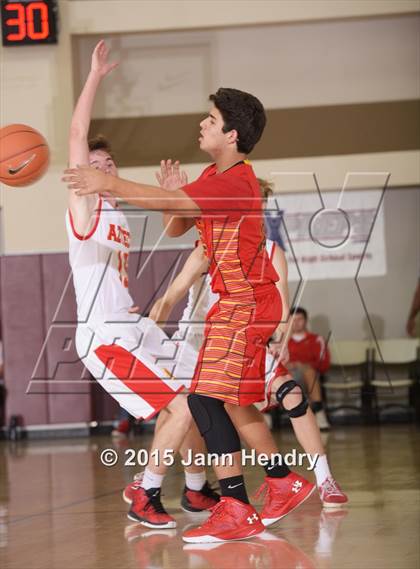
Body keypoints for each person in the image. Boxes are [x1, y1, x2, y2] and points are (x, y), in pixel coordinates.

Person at [63, 86, 315, 543]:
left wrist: (113, 185)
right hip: (235, 304)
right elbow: (178, 222)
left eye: (211, 119)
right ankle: (281, 481)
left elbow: (173, 209)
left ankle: (236, 503)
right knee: (230, 401)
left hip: (244, 302)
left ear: (232, 134)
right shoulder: (215, 175)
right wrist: (173, 194)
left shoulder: (236, 181)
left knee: (200, 400)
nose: (202, 123)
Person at [66, 40, 219, 529]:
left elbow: (182, 229)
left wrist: (175, 199)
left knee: (199, 394)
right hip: (104, 336)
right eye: (95, 164)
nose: (104, 168)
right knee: (176, 409)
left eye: (109, 164)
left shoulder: (118, 211)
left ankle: (196, 492)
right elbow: (75, 133)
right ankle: (145, 492)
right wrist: (93, 78)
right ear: (80, 175)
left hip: (130, 327)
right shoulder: (83, 209)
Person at [149, 175, 347, 509]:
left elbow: (282, 309)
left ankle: (324, 478)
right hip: (197, 342)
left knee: (292, 394)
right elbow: (170, 297)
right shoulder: (209, 246)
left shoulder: (271, 251)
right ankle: (186, 485)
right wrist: (149, 332)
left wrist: (277, 338)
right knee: (183, 412)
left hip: (246, 341)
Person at [286, 307, 331, 431]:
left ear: (305, 321)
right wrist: (290, 365)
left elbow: (324, 363)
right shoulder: (283, 341)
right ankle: (266, 415)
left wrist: (304, 365)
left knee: (309, 371)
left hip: (309, 376)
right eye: (293, 320)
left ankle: (318, 411)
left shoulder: (316, 339)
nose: (296, 323)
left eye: (299, 319)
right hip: (288, 376)